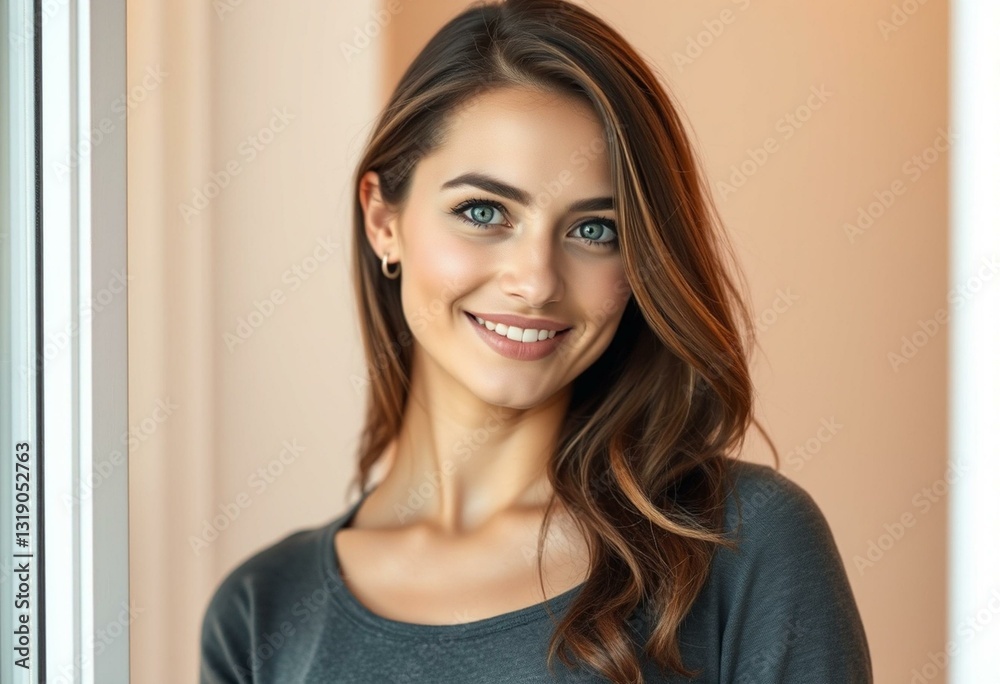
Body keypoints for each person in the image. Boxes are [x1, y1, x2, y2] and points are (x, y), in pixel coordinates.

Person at [199, 1, 874, 682]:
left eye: (594, 230)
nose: (537, 281)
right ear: (384, 220)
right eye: (484, 212)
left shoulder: (743, 544)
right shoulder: (263, 611)